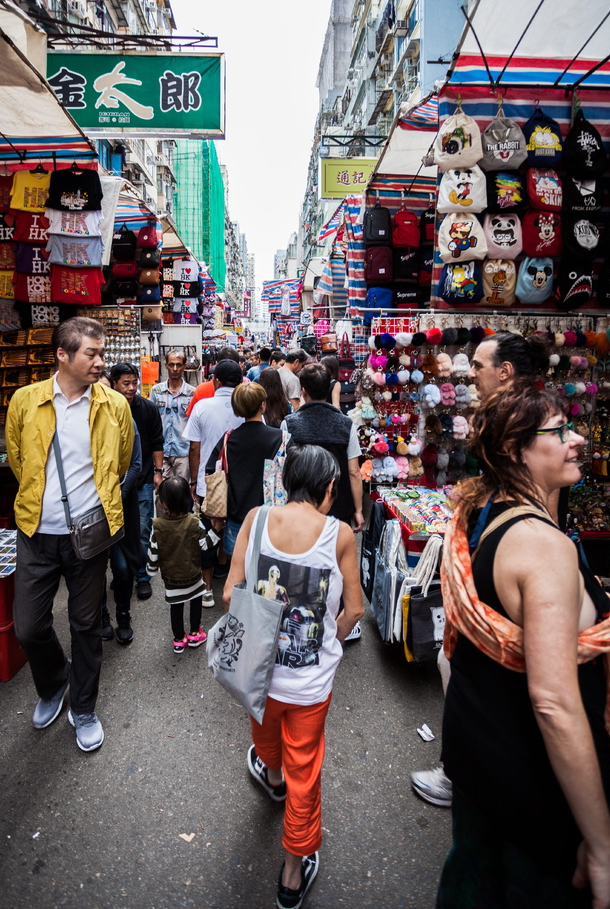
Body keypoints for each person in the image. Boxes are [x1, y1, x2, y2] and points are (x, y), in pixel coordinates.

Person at [437, 379, 610, 909]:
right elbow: (554, 702)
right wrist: (604, 843)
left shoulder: (486, 512)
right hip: (534, 787)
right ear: (514, 451)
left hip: (484, 766)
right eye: (560, 430)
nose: (578, 439)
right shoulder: (542, 547)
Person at [411, 329, 553, 808]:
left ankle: (465, 775)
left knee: (474, 672)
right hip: (496, 550)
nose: (470, 372)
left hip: (507, 559)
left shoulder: (526, 424)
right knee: (466, 668)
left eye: (479, 365)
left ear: (505, 372)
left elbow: (536, 503)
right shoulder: (511, 417)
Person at [223, 444, 363, 909]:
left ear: (286, 482)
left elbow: (230, 594)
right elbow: (354, 610)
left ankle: (272, 776)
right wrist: (330, 642)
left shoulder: (256, 519)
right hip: (309, 686)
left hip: (257, 675)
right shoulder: (339, 533)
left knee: (264, 734)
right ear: (328, 489)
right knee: (308, 771)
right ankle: (290, 871)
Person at [5, 317, 134, 752]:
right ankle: (54, 682)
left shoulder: (115, 405)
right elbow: (18, 460)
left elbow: (119, 461)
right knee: (29, 626)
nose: (101, 362)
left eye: (102, 353)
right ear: (62, 355)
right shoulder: (25, 401)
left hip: (90, 537)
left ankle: (83, 708)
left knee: (85, 626)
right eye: (91, 354)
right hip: (36, 534)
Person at [184, 359, 244, 607]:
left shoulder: (202, 407)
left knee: (207, 533)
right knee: (237, 532)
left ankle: (207, 588)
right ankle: (230, 577)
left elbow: (194, 448)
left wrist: (193, 481)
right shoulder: (247, 407)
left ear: (215, 381)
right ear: (240, 382)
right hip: (239, 485)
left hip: (208, 482)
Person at [283, 363, 364, 533]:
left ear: (303, 390)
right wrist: (358, 510)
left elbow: (284, 468)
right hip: (338, 507)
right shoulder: (346, 424)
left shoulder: (289, 423)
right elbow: (354, 472)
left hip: (300, 508)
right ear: (328, 388)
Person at [208, 381, 283, 560]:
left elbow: (211, 469)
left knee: (239, 571)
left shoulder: (229, 439)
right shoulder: (280, 438)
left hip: (237, 516)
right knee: (268, 572)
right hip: (270, 517)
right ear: (262, 405)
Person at [110, 363, 165, 601]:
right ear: (114, 384)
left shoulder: (148, 408)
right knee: (115, 531)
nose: (132, 388)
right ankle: (122, 573)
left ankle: (142, 576)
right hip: (111, 483)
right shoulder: (107, 409)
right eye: (126, 383)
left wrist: (158, 471)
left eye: (134, 382)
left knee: (142, 529)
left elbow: (157, 441)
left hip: (141, 479)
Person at [147, 477, 219, 653]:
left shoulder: (158, 526)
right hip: (194, 575)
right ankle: (195, 633)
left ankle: (179, 639)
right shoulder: (194, 521)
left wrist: (151, 570)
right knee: (195, 603)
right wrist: (216, 531)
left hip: (172, 579)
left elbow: (153, 552)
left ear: (163, 503)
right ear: (187, 499)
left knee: (176, 607)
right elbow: (205, 545)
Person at [98, 373, 141, 646]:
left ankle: (123, 615)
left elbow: (135, 464)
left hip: (121, 510)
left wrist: (115, 498)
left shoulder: (125, 418)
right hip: (88, 513)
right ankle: (102, 616)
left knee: (123, 568)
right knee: (93, 571)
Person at [149, 349, 194, 483]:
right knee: (161, 493)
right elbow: (152, 422)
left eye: (179, 365)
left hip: (183, 452)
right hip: (161, 452)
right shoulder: (156, 391)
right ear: (166, 365)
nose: (175, 369)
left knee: (182, 492)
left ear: (184, 366)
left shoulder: (192, 393)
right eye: (172, 364)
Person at [185, 347, 242, 417]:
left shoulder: (202, 389)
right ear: (238, 365)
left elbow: (191, 418)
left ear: (216, 364)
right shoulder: (245, 391)